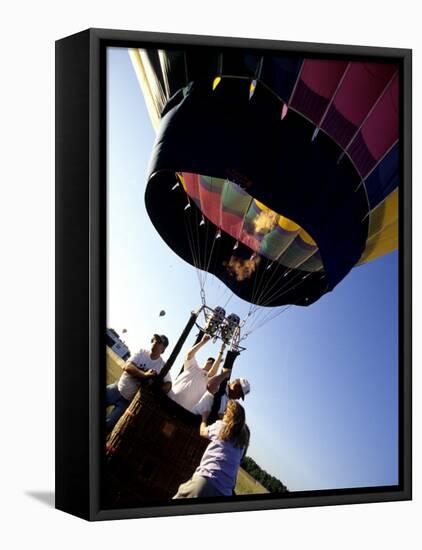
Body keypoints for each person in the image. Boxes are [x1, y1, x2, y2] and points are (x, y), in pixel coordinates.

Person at [173, 400, 250, 498]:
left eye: (226, 411)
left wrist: (204, 418)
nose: (224, 413)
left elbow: (202, 432)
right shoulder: (242, 443)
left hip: (205, 481)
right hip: (225, 493)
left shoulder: (220, 426)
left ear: (229, 415)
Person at [106, 333, 171, 432]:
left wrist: (154, 386)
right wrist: (144, 375)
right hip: (117, 388)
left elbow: (168, 385)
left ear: (163, 349)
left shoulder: (162, 366)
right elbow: (127, 367)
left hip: (127, 402)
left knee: (108, 425)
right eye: (155, 340)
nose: (155, 343)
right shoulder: (142, 352)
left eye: (159, 343)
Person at [169, 333, 230, 413]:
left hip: (182, 412)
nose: (211, 362)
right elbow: (189, 354)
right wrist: (203, 342)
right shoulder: (192, 366)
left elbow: (213, 372)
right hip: (169, 399)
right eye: (211, 361)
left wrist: (221, 352)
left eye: (213, 362)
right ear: (207, 361)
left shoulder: (208, 378)